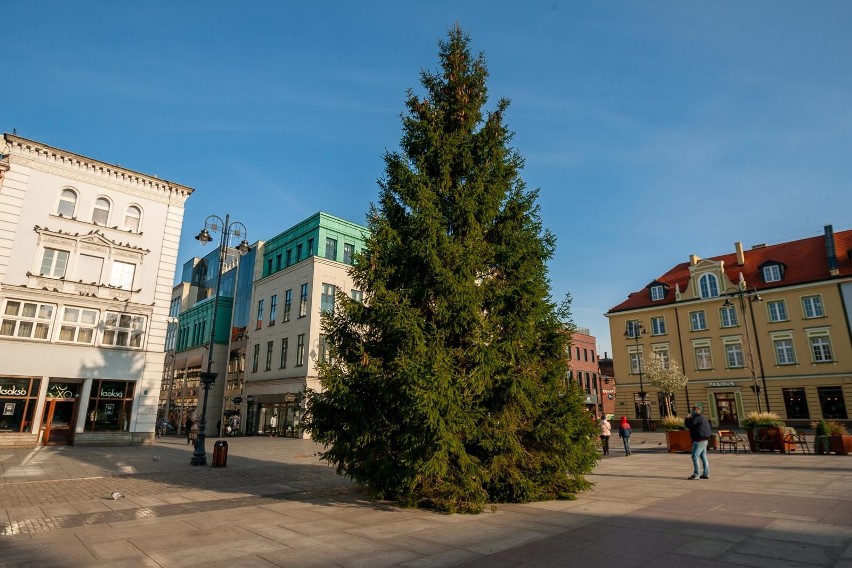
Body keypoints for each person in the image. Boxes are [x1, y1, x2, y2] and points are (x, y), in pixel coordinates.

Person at [685, 406, 711, 479]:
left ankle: (696, 474)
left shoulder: (696, 418)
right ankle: (706, 474)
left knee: (694, 456)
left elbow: (688, 426)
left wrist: (687, 418)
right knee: (703, 457)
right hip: (705, 440)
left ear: (694, 411)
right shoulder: (703, 418)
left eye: (691, 411)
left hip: (699, 441)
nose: (690, 412)